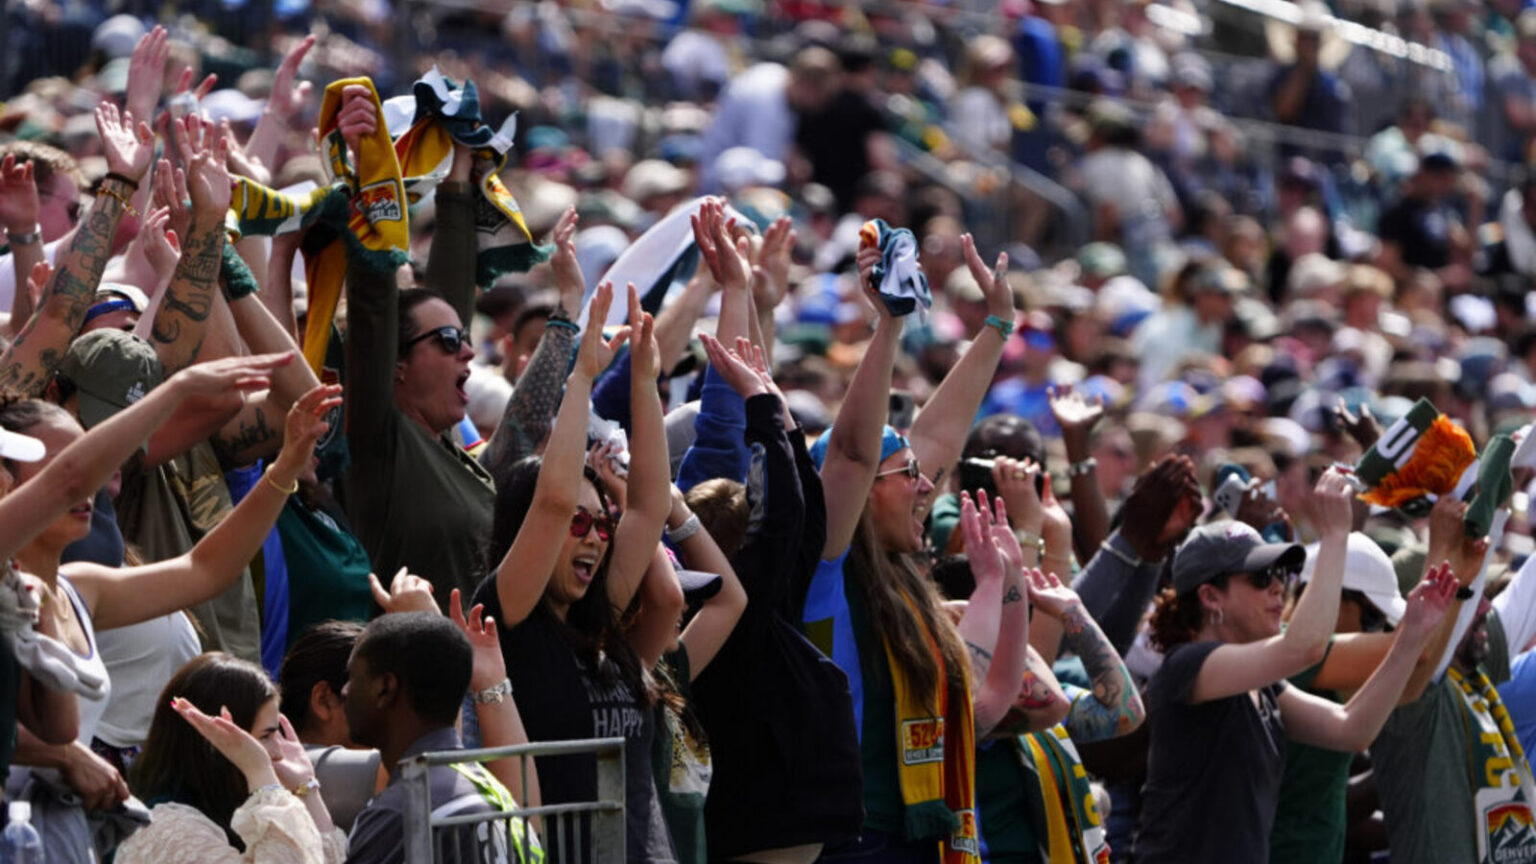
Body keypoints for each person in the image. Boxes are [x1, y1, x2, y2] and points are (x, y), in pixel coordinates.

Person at [806, 233, 1064, 862]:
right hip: (847, 840)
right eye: (907, 477)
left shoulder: (901, 581)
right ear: (862, 491)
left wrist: (998, 325)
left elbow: (986, 707)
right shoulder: (821, 571)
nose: (928, 483)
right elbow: (854, 454)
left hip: (924, 835)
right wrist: (888, 326)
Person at [4, 376, 337, 862]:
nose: (86, 482)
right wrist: (61, 755)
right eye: (60, 467)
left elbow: (205, 570)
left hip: (61, 838)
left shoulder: (81, 589)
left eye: (91, 461)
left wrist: (285, 465)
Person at [1136, 469, 1458, 864]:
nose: (1277, 587)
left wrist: (1410, 638)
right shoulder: (1187, 665)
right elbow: (1303, 649)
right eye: (1259, 576)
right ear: (1210, 596)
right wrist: (1336, 535)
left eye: (1277, 573)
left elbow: (1350, 729)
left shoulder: (1266, 685)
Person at [474, 281, 676, 862]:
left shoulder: (599, 619)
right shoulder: (509, 615)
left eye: (600, 525)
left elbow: (648, 509)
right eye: (578, 526)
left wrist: (644, 380)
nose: (596, 537)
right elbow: (553, 501)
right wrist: (581, 379)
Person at [335, 86, 496, 609]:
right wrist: (369, 169)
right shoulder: (380, 439)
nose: (467, 352)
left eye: (466, 340)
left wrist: (459, 175)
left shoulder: (449, 448)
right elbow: (376, 304)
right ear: (395, 366)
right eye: (450, 343)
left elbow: (445, 301)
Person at [343, 611, 541, 864]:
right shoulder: (496, 794)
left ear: (385, 688)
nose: (345, 691)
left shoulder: (400, 814)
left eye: (352, 677)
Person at [117, 653, 345, 863]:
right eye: (266, 736)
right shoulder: (168, 828)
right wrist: (259, 771)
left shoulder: (226, 810)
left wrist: (306, 787)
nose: (278, 752)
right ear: (214, 744)